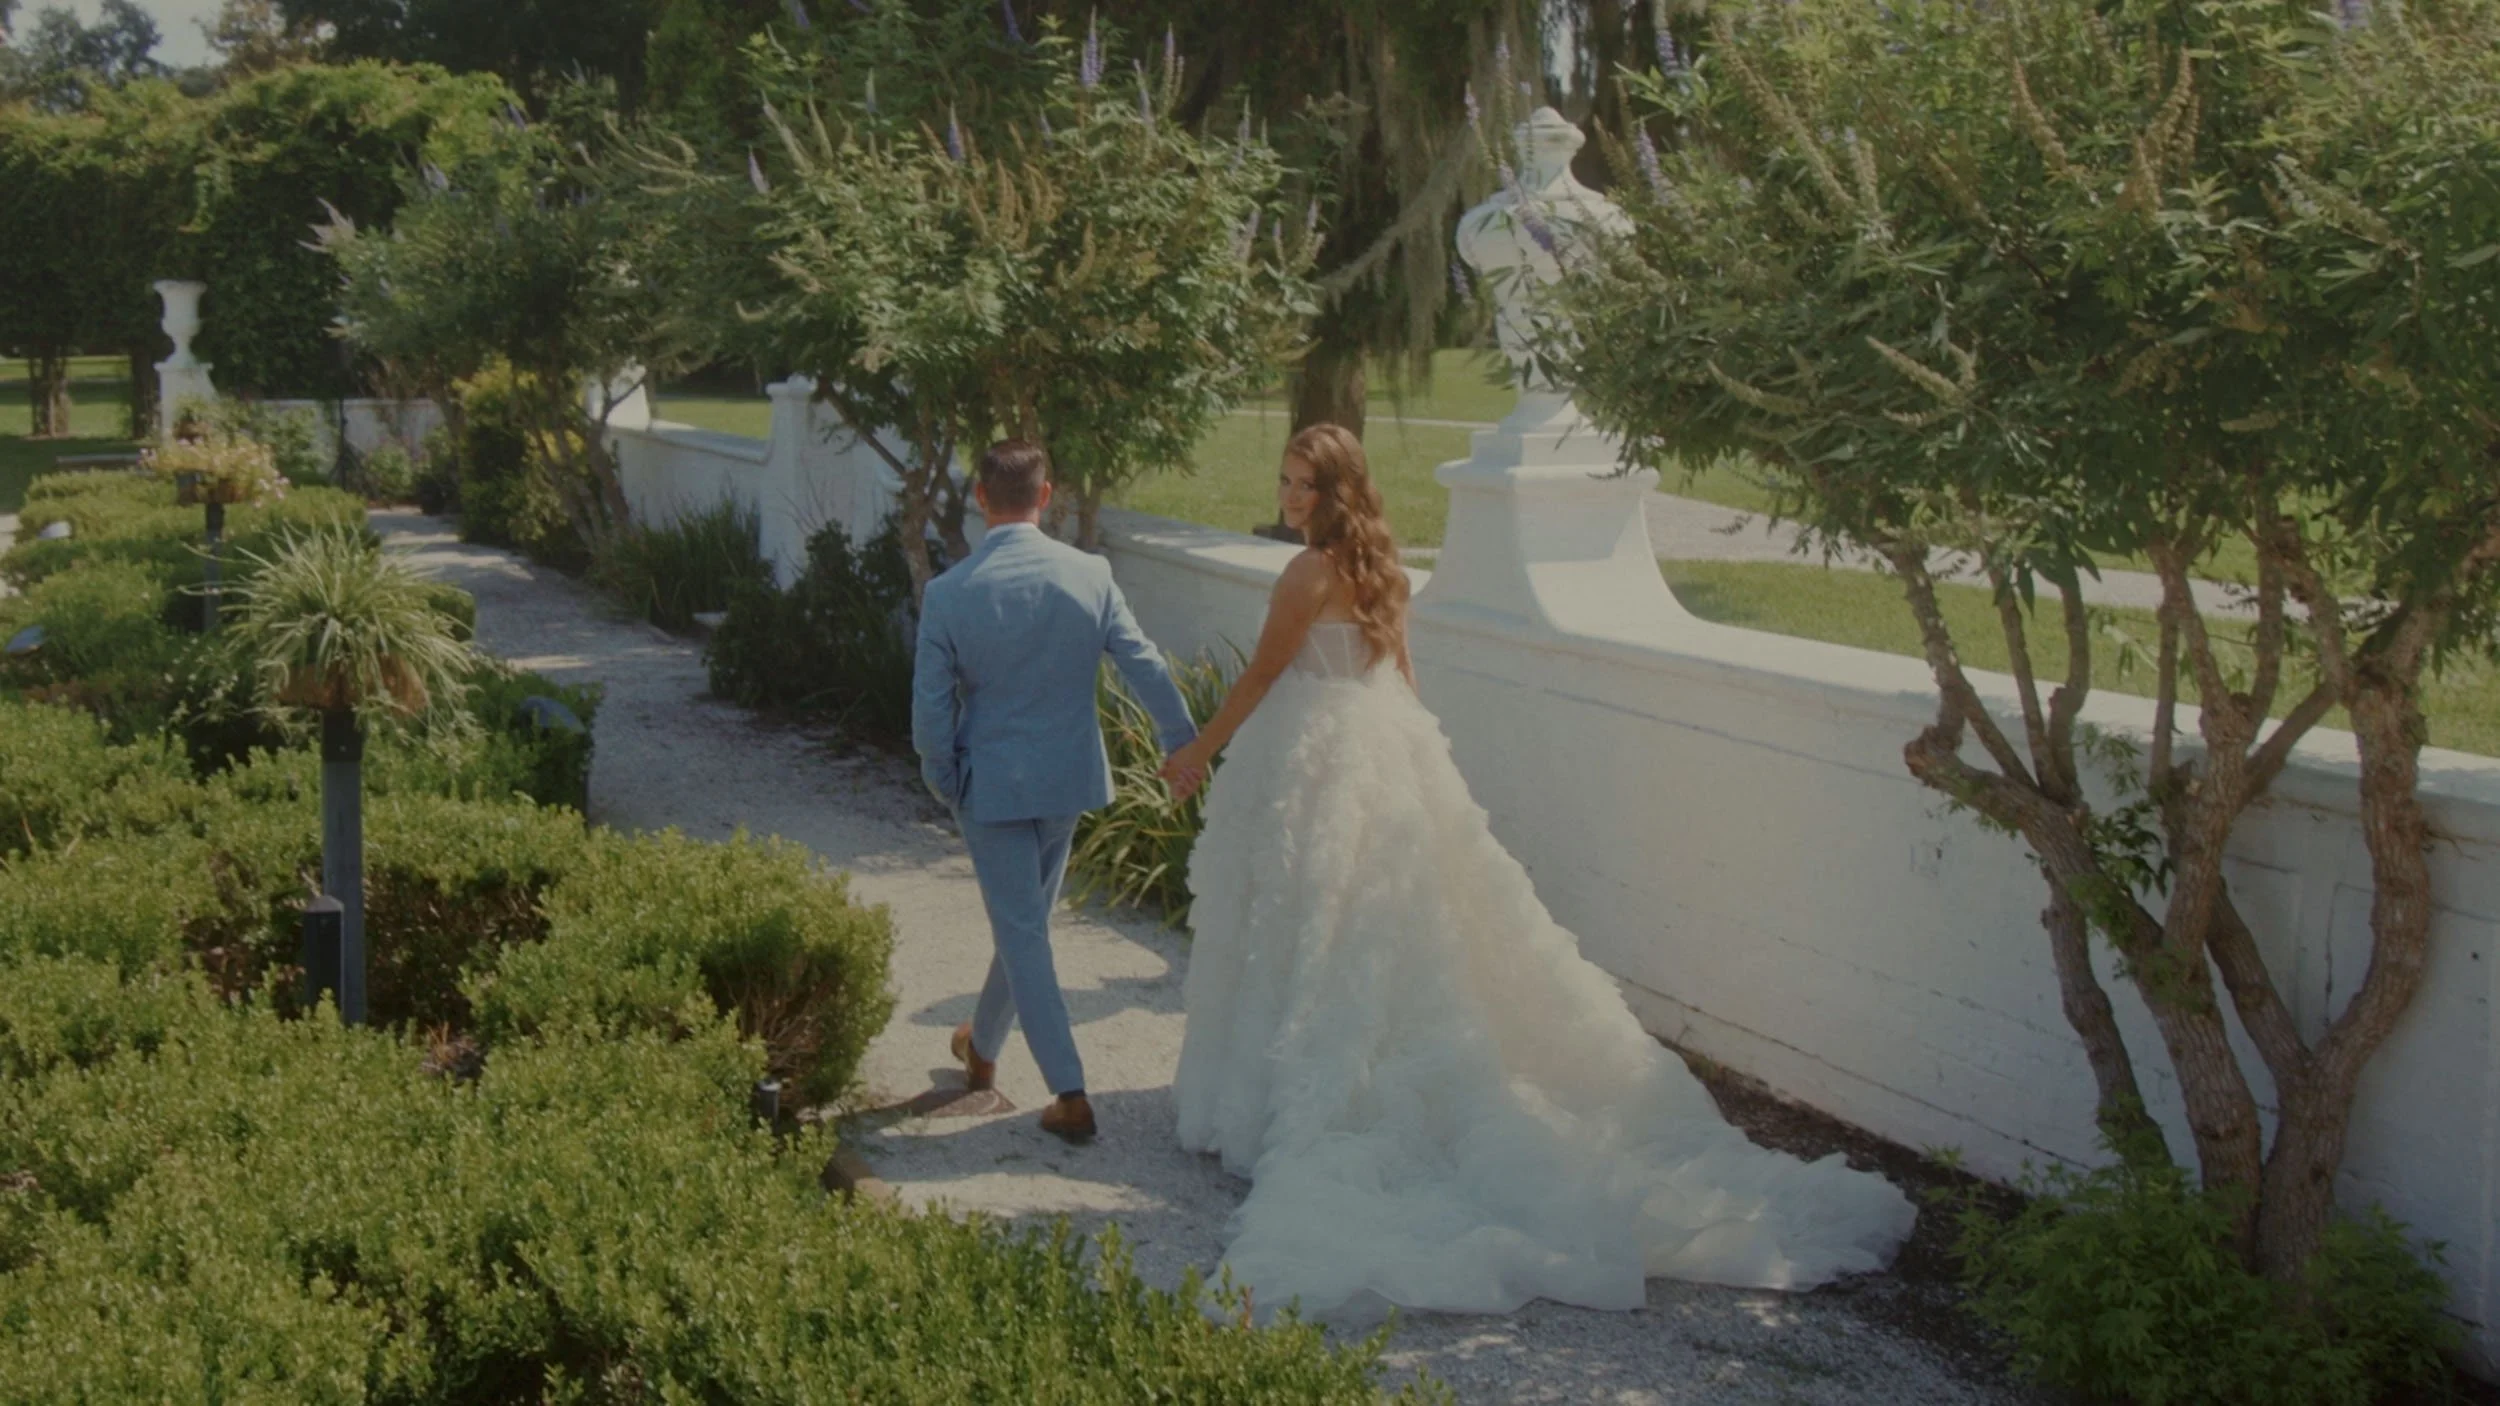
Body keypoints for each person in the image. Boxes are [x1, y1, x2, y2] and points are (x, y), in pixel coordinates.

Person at [1158, 423, 1917, 1321]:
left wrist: (1197, 751)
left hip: (1318, 756)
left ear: (1337, 493)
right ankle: (1331, 1068)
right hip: (1381, 746)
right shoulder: (1386, 570)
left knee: (1312, 920)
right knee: (1369, 928)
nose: (1289, 498)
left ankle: (1296, 1096)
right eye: (1284, 480)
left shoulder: (1305, 574)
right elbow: (1403, 677)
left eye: (1304, 487)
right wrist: (1415, 769)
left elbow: (1261, 676)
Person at [913, 439, 1201, 1144]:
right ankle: (981, 1048)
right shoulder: (1091, 573)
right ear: (1046, 496)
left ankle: (1069, 1094)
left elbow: (930, 710)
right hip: (1067, 781)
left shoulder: (949, 593)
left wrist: (945, 780)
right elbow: (1144, 662)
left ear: (981, 498)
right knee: (1024, 927)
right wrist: (1181, 742)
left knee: (1023, 932)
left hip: (994, 786)